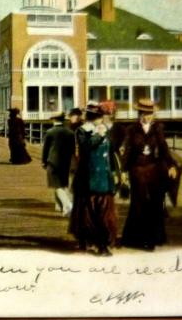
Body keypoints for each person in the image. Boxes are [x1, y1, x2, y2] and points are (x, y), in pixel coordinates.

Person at [120, 98, 176, 251]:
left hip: (154, 169)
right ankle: (140, 239)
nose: (148, 116)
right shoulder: (131, 129)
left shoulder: (158, 128)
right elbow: (128, 151)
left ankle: (155, 237)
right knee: (140, 202)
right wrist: (123, 171)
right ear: (140, 113)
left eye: (150, 113)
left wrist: (171, 165)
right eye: (145, 113)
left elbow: (164, 147)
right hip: (137, 169)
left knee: (155, 202)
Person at [69, 103, 117, 256]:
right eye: (98, 117)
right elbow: (86, 148)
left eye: (101, 117)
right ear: (91, 118)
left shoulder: (104, 130)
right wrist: (99, 135)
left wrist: (115, 171)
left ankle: (103, 244)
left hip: (104, 177)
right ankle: (90, 242)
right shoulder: (82, 131)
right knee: (87, 214)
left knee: (104, 214)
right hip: (88, 178)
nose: (101, 120)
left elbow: (110, 153)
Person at [42, 112, 74, 216]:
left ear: (54, 120)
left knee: (56, 185)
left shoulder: (50, 132)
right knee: (63, 184)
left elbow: (45, 148)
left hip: (53, 161)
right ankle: (59, 206)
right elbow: (72, 149)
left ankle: (68, 205)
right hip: (66, 162)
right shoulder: (70, 132)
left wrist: (43, 161)